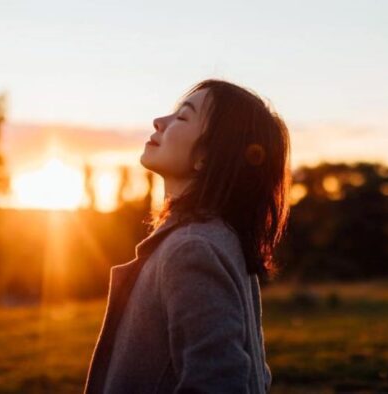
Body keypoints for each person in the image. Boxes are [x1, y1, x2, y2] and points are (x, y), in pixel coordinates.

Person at [84, 79, 291, 393]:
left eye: (181, 117)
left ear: (207, 156)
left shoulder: (193, 249)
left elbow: (220, 383)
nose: (159, 122)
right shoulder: (217, 238)